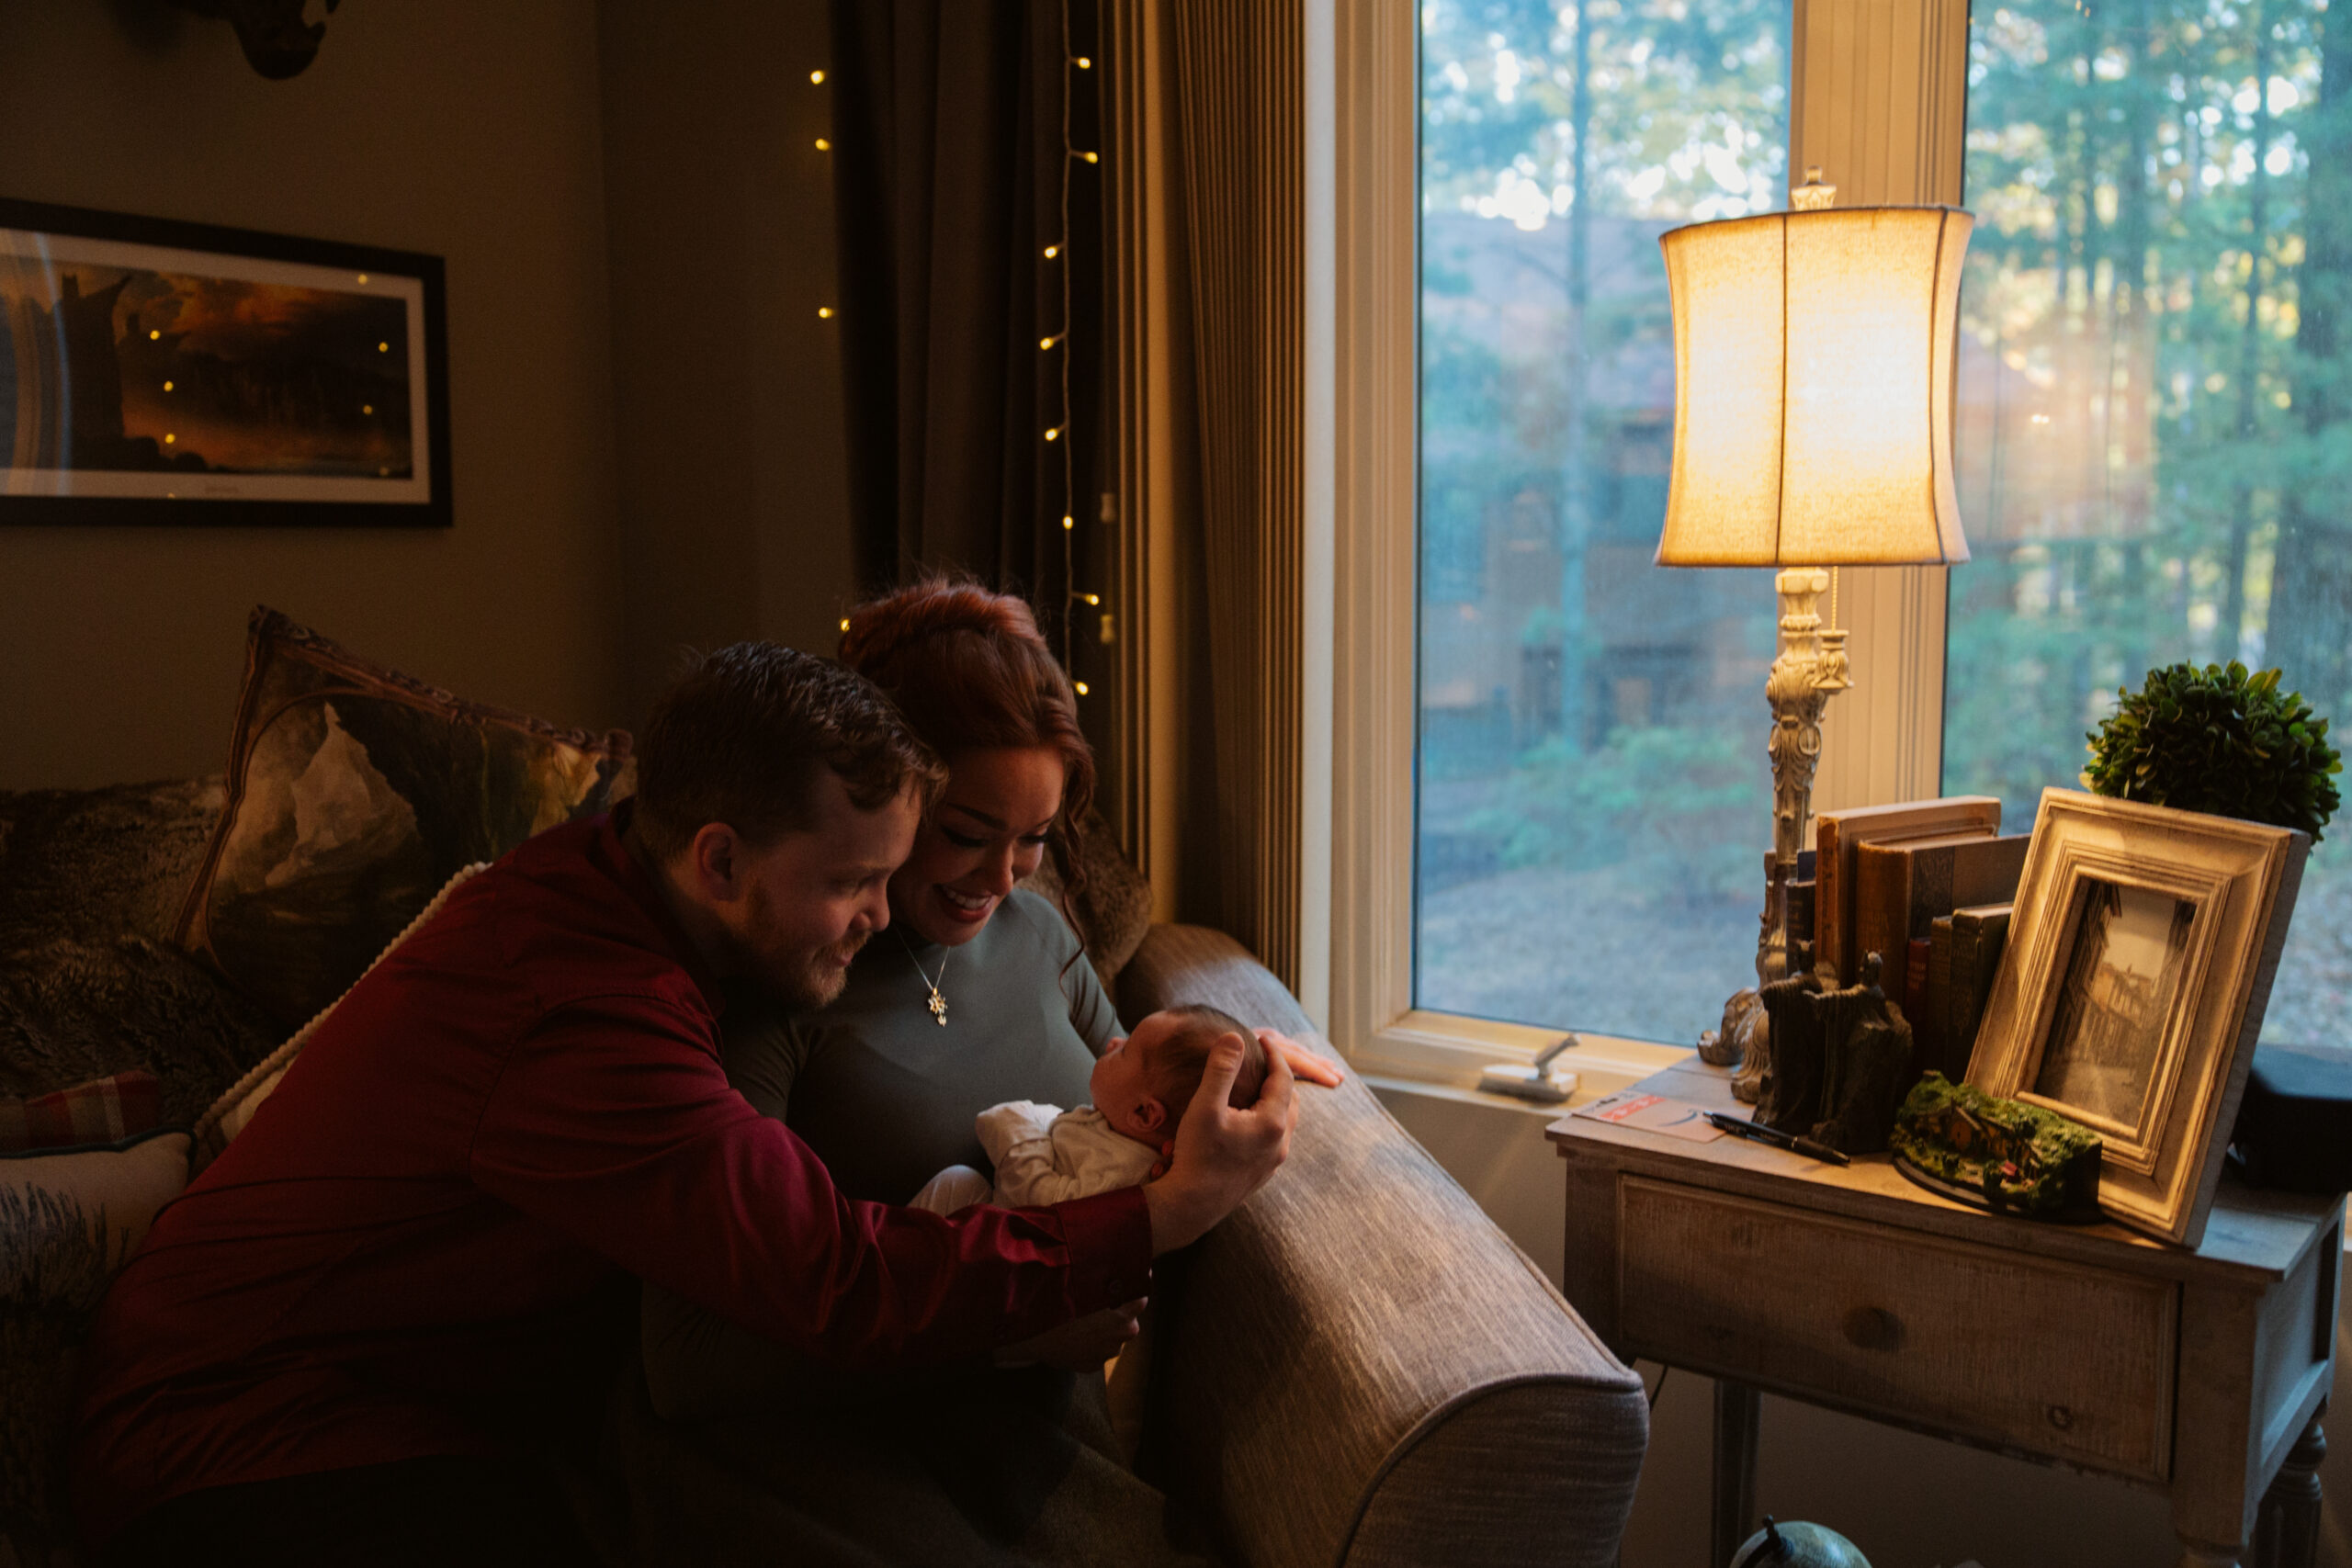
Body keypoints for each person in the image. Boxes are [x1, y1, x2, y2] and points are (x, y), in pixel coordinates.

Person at [70, 642, 1294, 1568]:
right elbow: (830, 1274)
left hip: (433, 1407)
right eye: (852, 882)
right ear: (719, 858)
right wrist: (1155, 1217)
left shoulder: (618, 879)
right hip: (249, 1436)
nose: (879, 917)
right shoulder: (588, 1015)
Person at [625, 582, 1338, 1566]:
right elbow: (690, 1362)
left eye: (1034, 839)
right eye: (964, 832)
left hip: (1052, 1456)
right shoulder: (787, 982)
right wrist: (1009, 1334)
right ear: (886, 787)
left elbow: (1140, 1107)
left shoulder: (1037, 933)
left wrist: (1240, 1066)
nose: (1001, 878)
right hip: (854, 1469)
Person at [913, 1005, 1268, 1212]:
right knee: (959, 1185)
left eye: (1125, 1051)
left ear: (1145, 1114)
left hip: (1024, 1272)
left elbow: (1045, 1207)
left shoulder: (1124, 1176)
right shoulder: (1118, 1129)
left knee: (956, 1185)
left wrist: (1018, 1132)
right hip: (999, 1230)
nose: (1112, 1041)